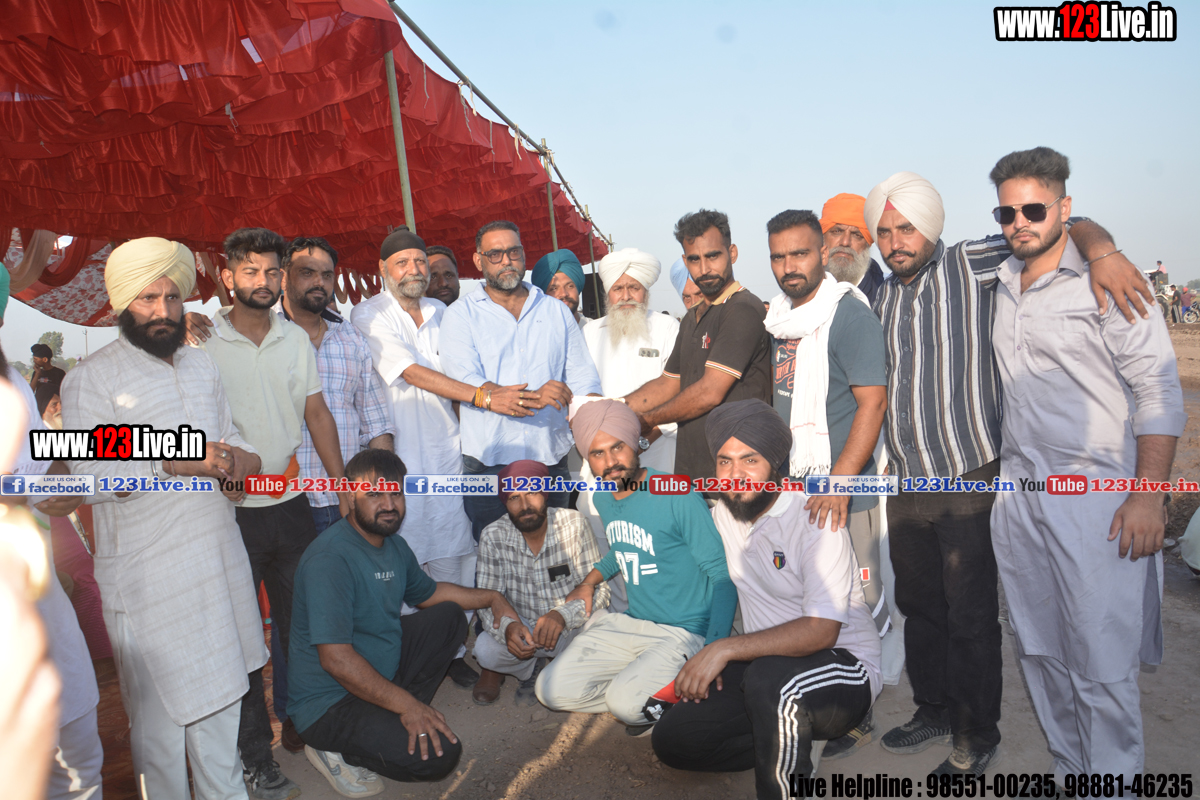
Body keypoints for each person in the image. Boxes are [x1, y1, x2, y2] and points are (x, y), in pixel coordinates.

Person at [865, 170, 1154, 775]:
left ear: (931, 228)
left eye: (907, 229)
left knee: (970, 614)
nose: (895, 242)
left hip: (971, 475)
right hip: (908, 479)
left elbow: (1051, 230)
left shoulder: (972, 263)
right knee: (920, 607)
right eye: (885, 232)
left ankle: (976, 735)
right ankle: (933, 709)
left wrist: (1104, 250)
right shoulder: (880, 293)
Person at [987, 147, 1185, 778]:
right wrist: (1097, 239)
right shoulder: (1000, 280)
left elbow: (1158, 390)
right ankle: (1071, 772)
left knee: (1101, 660)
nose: (1019, 222)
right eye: (1007, 212)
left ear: (1064, 207)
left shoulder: (1109, 281)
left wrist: (1148, 495)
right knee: (1040, 648)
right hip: (1020, 498)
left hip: (1097, 500)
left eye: (1034, 209)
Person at [61, 237, 267, 800]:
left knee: (222, 718)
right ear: (122, 304)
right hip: (149, 585)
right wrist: (173, 460)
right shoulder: (92, 378)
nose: (163, 311)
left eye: (172, 298)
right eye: (148, 299)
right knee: (160, 738)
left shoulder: (201, 365)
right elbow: (89, 476)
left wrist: (242, 462)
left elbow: (232, 436)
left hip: (217, 566)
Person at [652, 399, 882, 800]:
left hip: (843, 667)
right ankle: (791, 736)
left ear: (775, 464)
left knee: (772, 682)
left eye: (750, 460)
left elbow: (822, 632)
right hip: (764, 665)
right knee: (675, 739)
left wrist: (723, 649)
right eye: (724, 462)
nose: (735, 475)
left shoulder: (815, 520)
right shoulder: (725, 514)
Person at [204, 226, 347, 799]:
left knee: (302, 628)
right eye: (250, 271)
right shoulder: (202, 340)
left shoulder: (294, 341)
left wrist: (341, 484)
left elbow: (317, 414)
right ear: (227, 276)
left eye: (270, 271)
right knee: (241, 642)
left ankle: (306, 724)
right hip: (228, 512)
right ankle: (254, 757)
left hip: (291, 507)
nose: (262, 281)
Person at [288, 449, 522, 796]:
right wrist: (408, 705)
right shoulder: (330, 559)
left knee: (448, 617)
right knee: (441, 756)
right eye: (375, 494)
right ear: (350, 495)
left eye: (395, 493)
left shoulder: (394, 545)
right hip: (329, 701)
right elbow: (335, 660)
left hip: (375, 670)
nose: (389, 504)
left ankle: (396, 713)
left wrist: (493, 597)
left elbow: (430, 593)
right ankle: (335, 749)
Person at [761, 209, 889, 759]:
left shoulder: (848, 315)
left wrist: (839, 482)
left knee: (857, 604)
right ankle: (824, 699)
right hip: (796, 494)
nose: (790, 266)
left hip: (843, 493)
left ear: (820, 253)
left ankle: (861, 712)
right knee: (810, 601)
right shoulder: (779, 320)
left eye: (800, 253)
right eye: (779, 256)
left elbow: (872, 403)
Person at [536, 399, 737, 734]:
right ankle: (649, 691)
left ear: (635, 443)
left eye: (618, 447)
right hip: (633, 622)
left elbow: (722, 576)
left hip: (685, 631)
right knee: (549, 691)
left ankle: (653, 693)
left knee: (626, 707)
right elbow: (623, 547)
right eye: (597, 453)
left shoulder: (676, 493)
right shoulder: (603, 496)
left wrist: (714, 651)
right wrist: (589, 582)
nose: (610, 462)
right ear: (586, 458)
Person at [351, 226, 490, 689]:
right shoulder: (369, 313)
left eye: (419, 262)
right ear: (383, 270)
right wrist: (481, 395)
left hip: (446, 455)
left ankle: (451, 652)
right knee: (404, 563)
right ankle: (407, 656)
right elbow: (409, 372)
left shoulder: (442, 312)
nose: (413, 270)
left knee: (453, 555)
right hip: (399, 460)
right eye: (402, 263)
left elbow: (465, 368)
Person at [439, 220, 602, 540]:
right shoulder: (460, 315)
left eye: (513, 252)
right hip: (489, 462)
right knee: (494, 556)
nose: (506, 261)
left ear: (523, 255)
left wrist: (597, 435)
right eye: (495, 254)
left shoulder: (555, 311)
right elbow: (466, 379)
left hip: (549, 455)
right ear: (478, 260)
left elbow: (584, 378)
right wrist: (537, 397)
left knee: (556, 552)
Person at [623, 210, 772, 481]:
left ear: (732, 253)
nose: (704, 269)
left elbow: (709, 392)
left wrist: (647, 420)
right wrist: (617, 409)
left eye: (713, 256)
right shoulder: (693, 317)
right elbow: (668, 384)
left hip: (738, 475)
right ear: (685, 261)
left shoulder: (742, 309)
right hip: (694, 472)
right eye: (694, 259)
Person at [472, 460, 610, 705]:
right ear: (505, 503)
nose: (525, 505)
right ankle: (530, 668)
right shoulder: (493, 536)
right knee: (485, 650)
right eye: (514, 497)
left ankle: (558, 668)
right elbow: (486, 602)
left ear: (545, 494)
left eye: (532, 493)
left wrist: (562, 615)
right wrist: (509, 628)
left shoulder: (575, 524)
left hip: (568, 626)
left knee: (602, 624)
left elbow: (599, 590)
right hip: (523, 628)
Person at [583, 247, 681, 471]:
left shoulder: (667, 328)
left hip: (657, 448)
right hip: (602, 450)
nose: (626, 296)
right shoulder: (590, 332)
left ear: (645, 292)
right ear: (608, 293)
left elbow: (678, 391)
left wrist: (642, 442)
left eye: (634, 288)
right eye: (618, 288)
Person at [819, 193, 887, 305]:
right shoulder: (801, 289)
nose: (845, 242)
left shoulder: (886, 296)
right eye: (837, 231)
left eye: (857, 235)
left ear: (867, 243)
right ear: (822, 237)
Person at [531, 248, 590, 328]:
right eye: (554, 289)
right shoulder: (534, 333)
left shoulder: (597, 331)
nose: (563, 294)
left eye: (570, 286)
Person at [29, 343, 66, 417]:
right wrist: (37, 374)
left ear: (45, 359)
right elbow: (30, 391)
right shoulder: (36, 373)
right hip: (39, 408)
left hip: (54, 409)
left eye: (36, 359)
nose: (34, 361)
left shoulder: (59, 373)